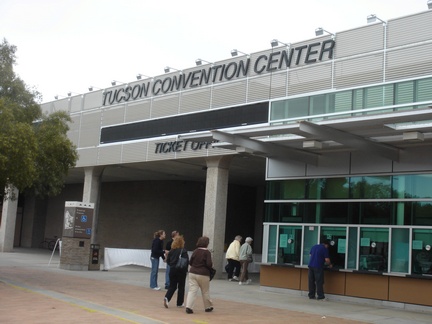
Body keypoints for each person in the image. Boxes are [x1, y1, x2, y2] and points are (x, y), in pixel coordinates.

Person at [185, 236, 214, 314]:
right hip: (203, 274)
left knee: (192, 290)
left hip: (192, 272)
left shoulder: (195, 251)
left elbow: (190, 262)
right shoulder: (207, 252)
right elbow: (209, 264)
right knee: (205, 291)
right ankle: (208, 307)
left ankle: (189, 307)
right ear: (207, 243)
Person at [164, 235, 189, 308]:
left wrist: (172, 265)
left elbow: (168, 261)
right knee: (181, 286)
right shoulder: (183, 251)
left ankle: (167, 297)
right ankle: (179, 303)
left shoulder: (171, 251)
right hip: (181, 270)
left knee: (172, 285)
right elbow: (186, 261)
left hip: (172, 269)